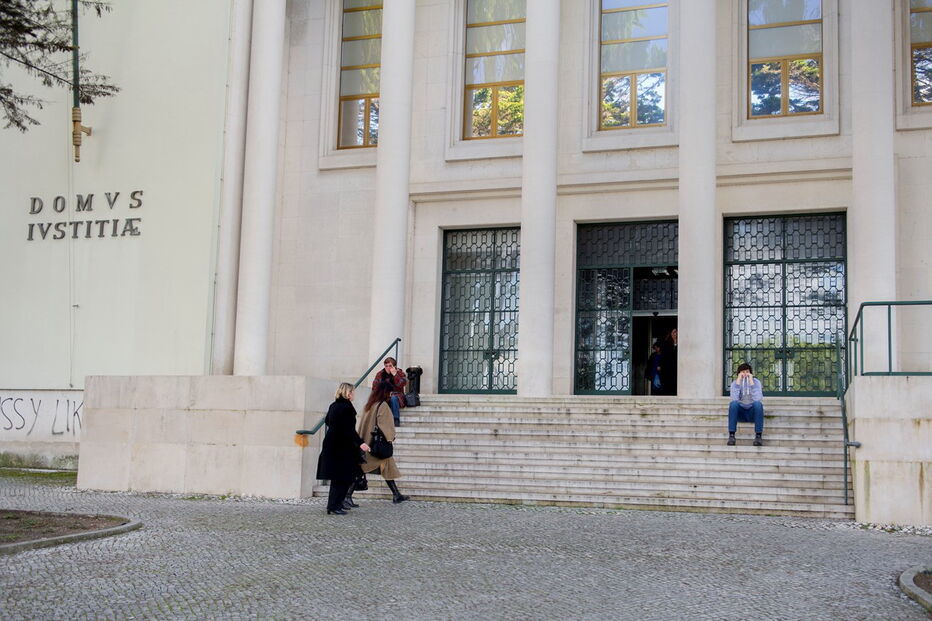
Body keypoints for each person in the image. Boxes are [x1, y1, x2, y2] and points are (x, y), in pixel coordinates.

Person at [316, 382, 370, 515]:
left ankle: (336, 504)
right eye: (352, 392)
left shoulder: (334, 405)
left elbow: (328, 421)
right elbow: (349, 430)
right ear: (348, 393)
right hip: (341, 446)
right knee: (342, 477)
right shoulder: (346, 408)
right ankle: (334, 506)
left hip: (333, 443)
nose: (354, 394)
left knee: (341, 477)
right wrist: (360, 443)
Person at [358, 379, 410, 503]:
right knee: (360, 468)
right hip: (375, 445)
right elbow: (385, 425)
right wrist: (390, 437)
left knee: (387, 466)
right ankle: (347, 496)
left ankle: (396, 494)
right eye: (390, 393)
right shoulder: (383, 405)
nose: (391, 395)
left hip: (367, 442)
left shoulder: (369, 405)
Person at [727, 363, 764, 446]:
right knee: (733, 404)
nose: (745, 374)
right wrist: (738, 383)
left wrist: (751, 383)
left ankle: (758, 436)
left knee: (758, 404)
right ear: (739, 373)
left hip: (752, 413)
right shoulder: (734, 383)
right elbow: (734, 399)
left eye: (747, 372)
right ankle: (731, 435)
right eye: (742, 372)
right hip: (740, 413)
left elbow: (758, 398)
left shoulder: (756, 382)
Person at [372, 357, 407, 426]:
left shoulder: (400, 373)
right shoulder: (380, 374)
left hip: (397, 395)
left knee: (393, 398)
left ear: (394, 366)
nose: (388, 368)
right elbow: (374, 387)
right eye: (386, 366)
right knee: (378, 400)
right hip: (384, 395)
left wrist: (395, 375)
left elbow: (402, 384)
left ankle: (396, 419)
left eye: (390, 366)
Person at [659, 328, 678, 395]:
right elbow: (664, 356)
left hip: (676, 368)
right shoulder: (666, 343)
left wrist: (675, 343)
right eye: (674, 332)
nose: (675, 334)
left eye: (676, 332)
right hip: (667, 368)